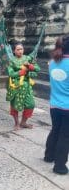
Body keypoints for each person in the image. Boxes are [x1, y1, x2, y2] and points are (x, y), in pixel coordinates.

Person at [44, 35, 69, 175]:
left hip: (54, 104)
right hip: (67, 107)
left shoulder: (52, 62)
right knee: (65, 136)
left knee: (55, 130)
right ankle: (59, 166)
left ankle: (49, 156)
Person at [6, 42, 40, 131]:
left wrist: (30, 68)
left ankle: (23, 122)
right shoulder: (12, 60)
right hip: (16, 85)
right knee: (14, 105)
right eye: (18, 49)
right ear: (14, 51)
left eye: (21, 49)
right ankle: (16, 123)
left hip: (27, 85)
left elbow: (37, 69)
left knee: (31, 104)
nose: (20, 51)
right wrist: (19, 73)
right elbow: (10, 73)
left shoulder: (27, 58)